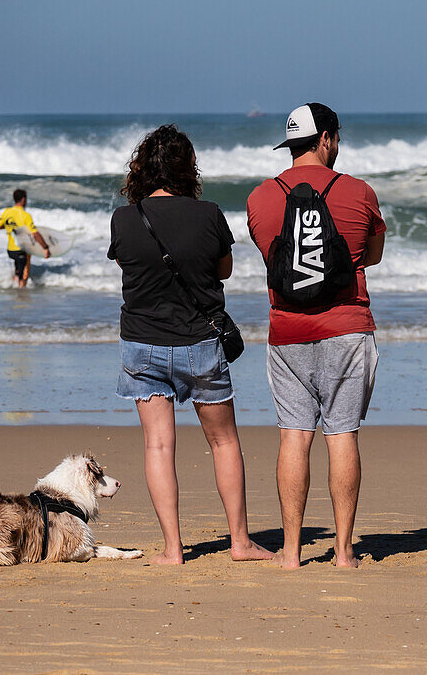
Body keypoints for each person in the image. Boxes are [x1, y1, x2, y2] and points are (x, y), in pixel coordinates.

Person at [108, 124, 273, 565]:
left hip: (141, 343)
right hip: (200, 341)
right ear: (188, 169)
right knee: (223, 443)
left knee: (158, 447)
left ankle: (173, 549)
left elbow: (130, 268)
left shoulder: (125, 218)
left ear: (141, 169)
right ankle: (239, 543)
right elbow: (224, 271)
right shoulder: (209, 214)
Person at [246, 103, 386, 569]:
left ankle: (290, 553)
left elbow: (274, 258)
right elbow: (374, 254)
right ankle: (344, 553)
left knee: (294, 437)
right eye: (337, 137)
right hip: (347, 329)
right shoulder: (359, 192)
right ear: (326, 138)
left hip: (286, 331)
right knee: (342, 435)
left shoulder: (259, 199)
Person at [0, 189, 49, 287]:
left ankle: (15, 287)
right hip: (21, 251)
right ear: (23, 199)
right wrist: (45, 247)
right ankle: (21, 292)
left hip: (10, 250)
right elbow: (35, 234)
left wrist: (10, 226)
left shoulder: (7, 212)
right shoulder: (25, 215)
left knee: (18, 270)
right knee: (23, 273)